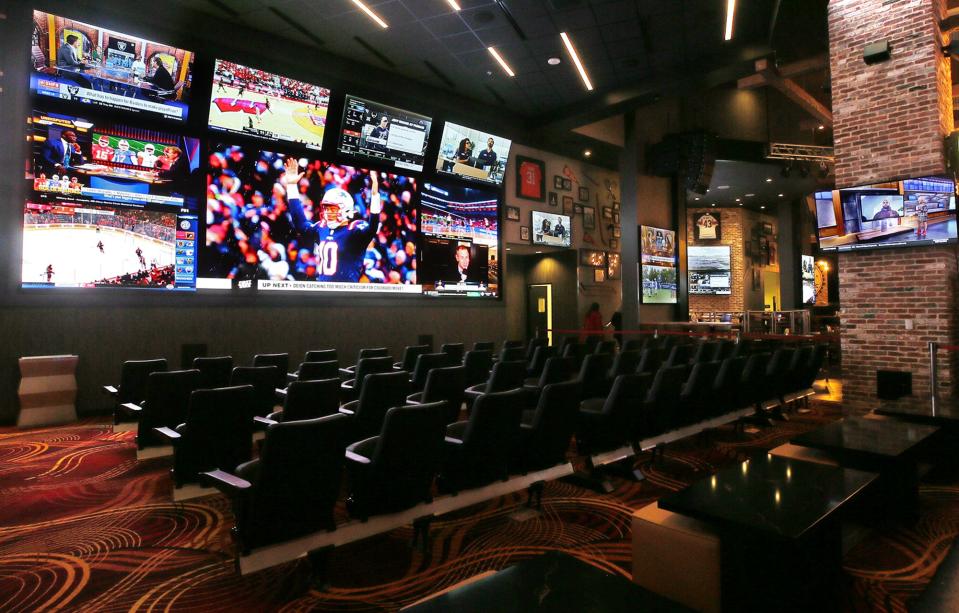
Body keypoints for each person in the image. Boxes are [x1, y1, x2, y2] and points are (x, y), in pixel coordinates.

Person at [281, 157, 382, 282]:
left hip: (346, 294)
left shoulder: (354, 230)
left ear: (346, 209)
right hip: (323, 290)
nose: (328, 213)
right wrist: (291, 186)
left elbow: (372, 228)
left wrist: (375, 197)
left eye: (333, 209)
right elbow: (301, 225)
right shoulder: (322, 227)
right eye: (326, 208)